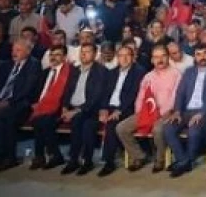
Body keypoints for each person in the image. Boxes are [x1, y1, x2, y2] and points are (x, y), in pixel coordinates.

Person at [116, 44, 182, 172]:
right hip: (147, 112)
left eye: (163, 56)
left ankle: (160, 159)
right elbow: (140, 97)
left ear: (168, 57)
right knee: (121, 128)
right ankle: (139, 156)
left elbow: (175, 97)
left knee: (158, 129)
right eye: (156, 57)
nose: (160, 60)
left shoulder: (176, 74)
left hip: (167, 113)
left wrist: (161, 114)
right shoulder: (148, 76)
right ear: (152, 60)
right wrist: (140, 114)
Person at [163, 43, 206, 177]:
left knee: (194, 130)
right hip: (185, 111)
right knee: (168, 128)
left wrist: (201, 113)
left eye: (205, 53)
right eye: (198, 54)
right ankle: (184, 161)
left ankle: (186, 161)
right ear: (194, 57)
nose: (202, 57)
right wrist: (178, 111)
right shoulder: (189, 71)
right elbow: (180, 93)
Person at [0, 39, 42, 170]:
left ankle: (11, 157)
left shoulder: (34, 65)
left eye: (18, 50)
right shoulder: (6, 65)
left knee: (8, 116)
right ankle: (1, 153)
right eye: (13, 50)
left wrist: (6, 103)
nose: (14, 53)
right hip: (2, 102)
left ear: (28, 51)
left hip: (22, 103)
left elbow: (27, 90)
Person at [59, 42, 110, 174]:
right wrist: (64, 107)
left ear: (94, 54)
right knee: (46, 120)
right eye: (82, 51)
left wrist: (76, 111)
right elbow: (68, 90)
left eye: (87, 52)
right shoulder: (75, 70)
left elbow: (95, 97)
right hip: (73, 108)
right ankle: (73, 160)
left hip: (91, 110)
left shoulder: (100, 71)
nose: (83, 54)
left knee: (85, 124)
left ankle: (86, 161)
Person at [97, 45, 144, 176]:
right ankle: (83, 158)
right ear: (117, 57)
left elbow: (133, 94)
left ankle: (109, 162)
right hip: (110, 107)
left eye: (127, 55)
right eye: (121, 55)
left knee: (112, 124)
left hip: (126, 108)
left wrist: (119, 110)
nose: (124, 58)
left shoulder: (139, 72)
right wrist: (103, 108)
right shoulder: (111, 72)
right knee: (87, 120)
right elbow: (105, 93)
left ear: (133, 57)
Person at [28, 45, 72, 170]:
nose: (53, 57)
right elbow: (37, 91)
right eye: (51, 54)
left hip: (60, 106)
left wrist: (65, 107)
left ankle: (50, 156)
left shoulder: (69, 71)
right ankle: (45, 156)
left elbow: (69, 92)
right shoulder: (45, 72)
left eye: (57, 54)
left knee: (43, 121)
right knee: (39, 120)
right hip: (41, 105)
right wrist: (34, 102)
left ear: (64, 57)